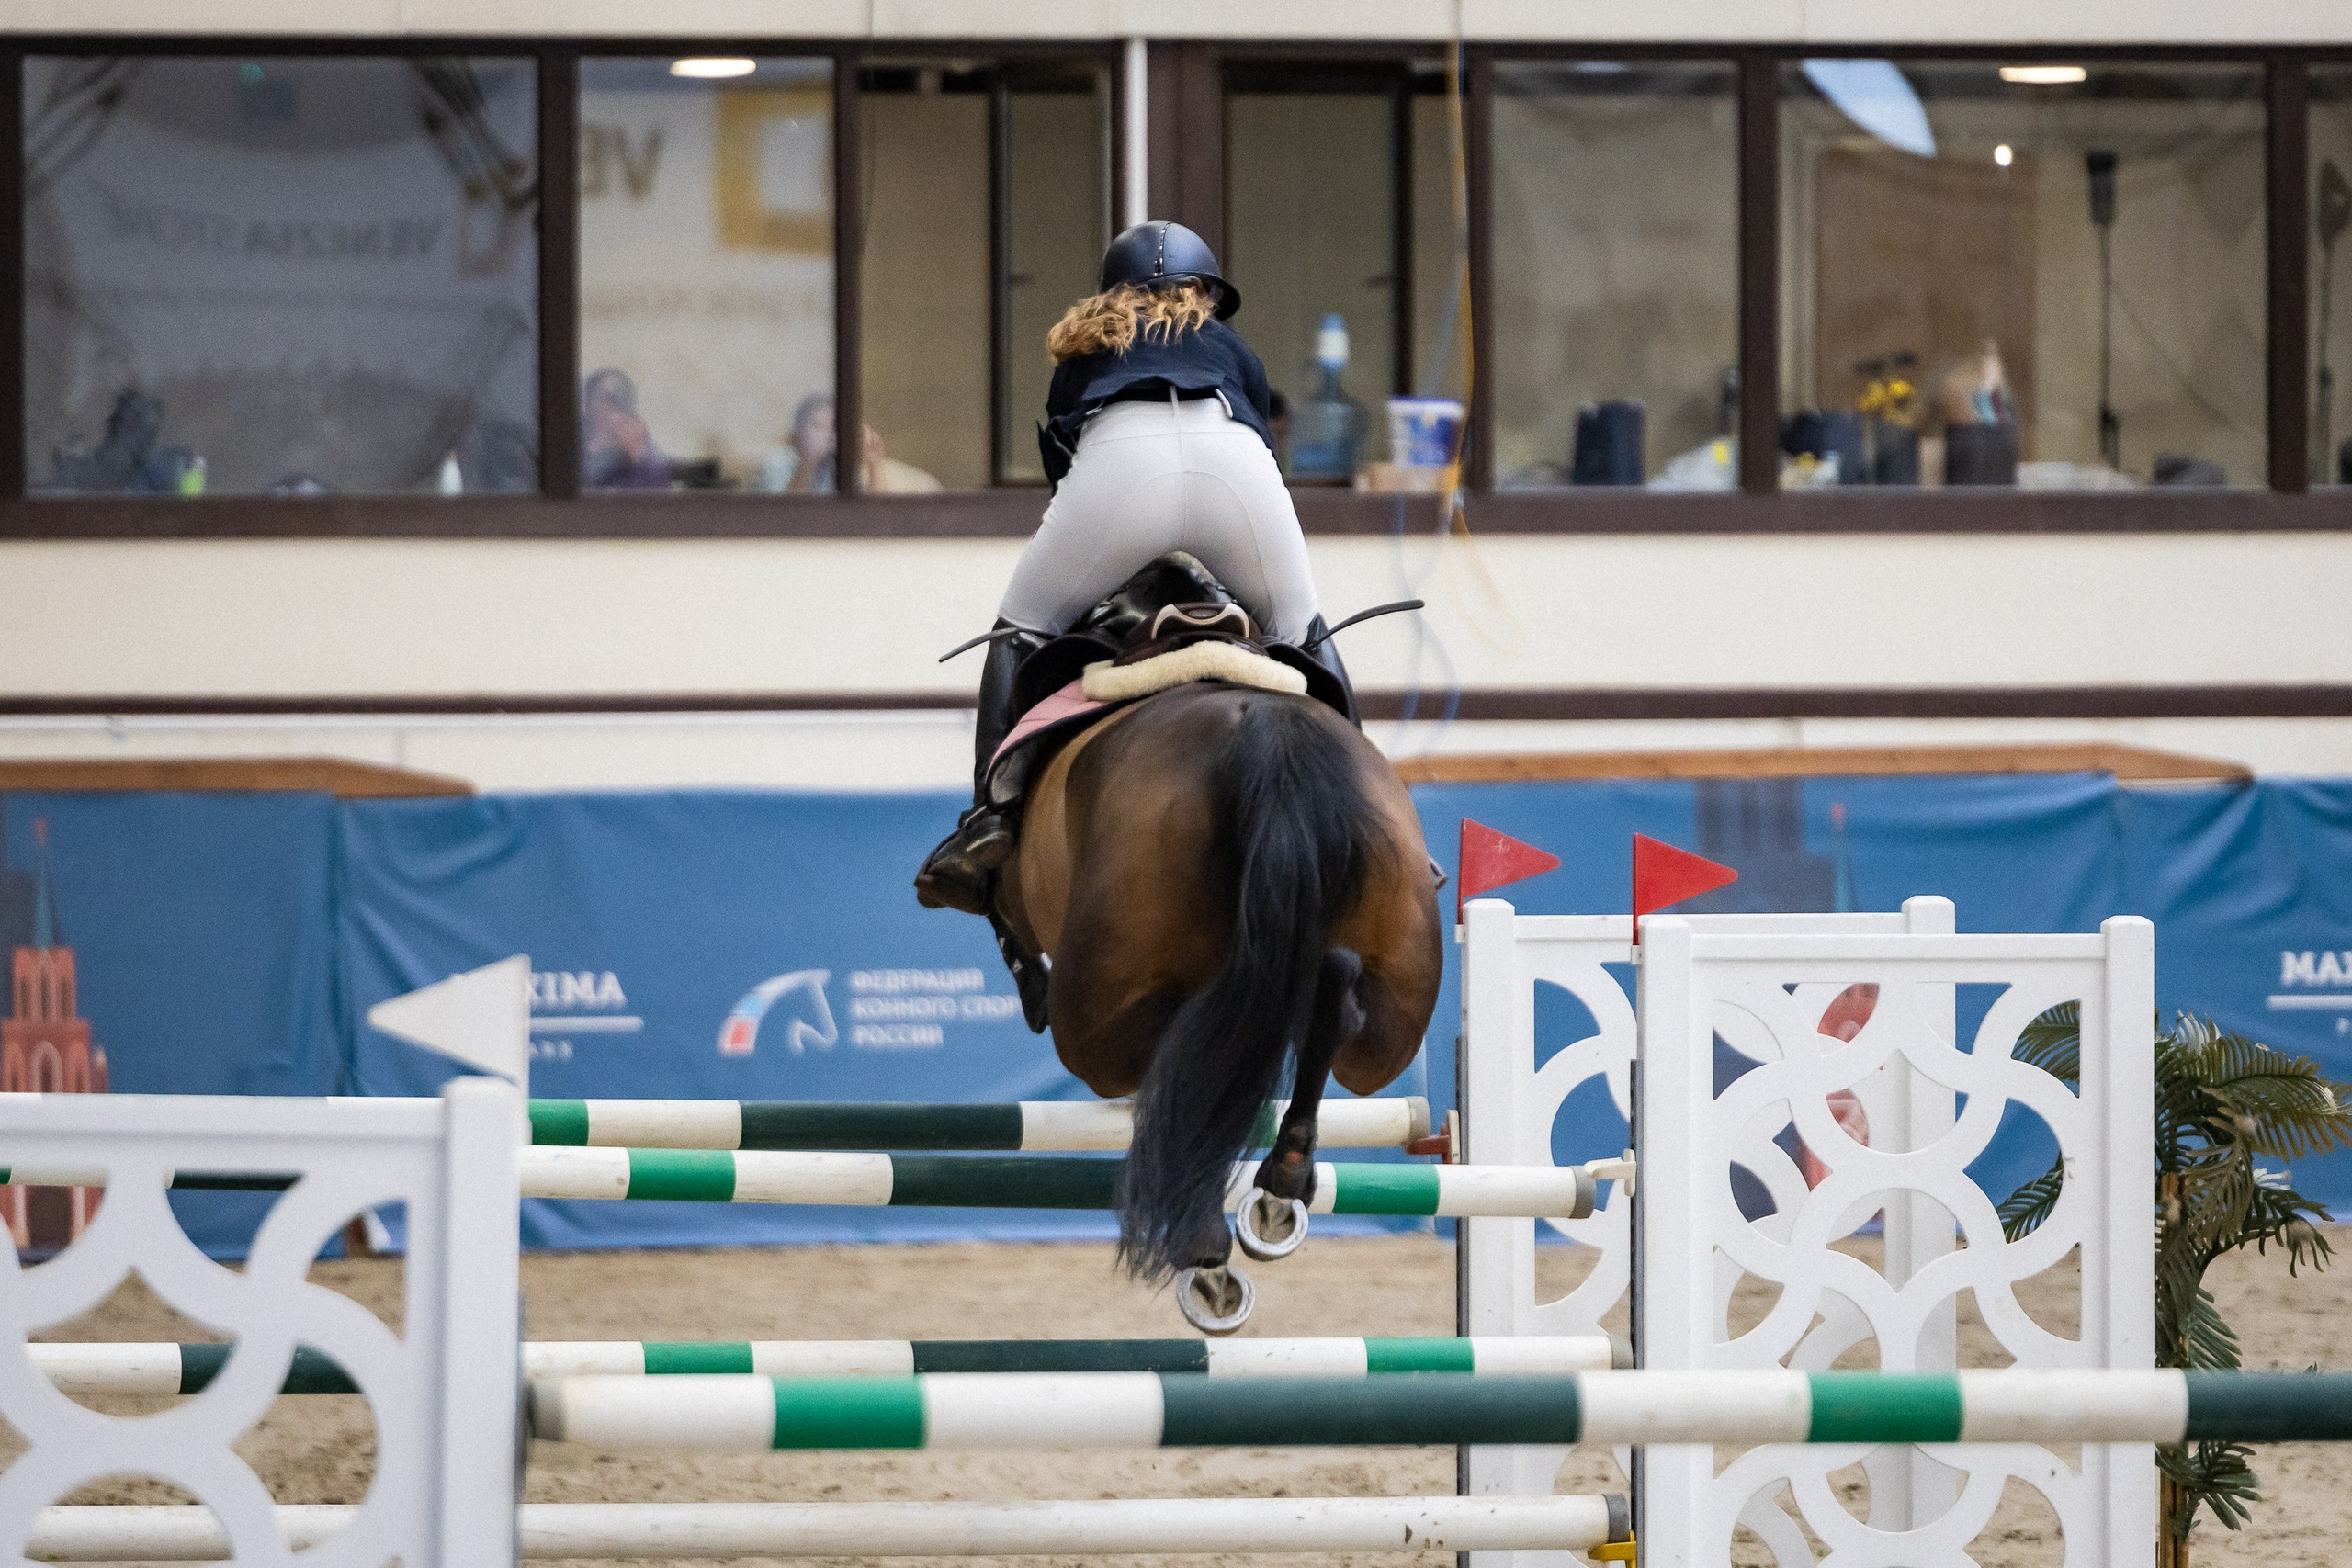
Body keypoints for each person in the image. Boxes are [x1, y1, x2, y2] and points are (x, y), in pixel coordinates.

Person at [914, 220, 1352, 917]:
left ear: (1115, 292)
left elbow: (1064, 470)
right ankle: (1363, 799)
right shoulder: (1231, 344)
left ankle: (990, 818)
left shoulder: (1087, 348)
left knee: (1020, 625)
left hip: (1122, 476)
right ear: (1204, 291)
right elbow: (1264, 443)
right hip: (1235, 472)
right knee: (1302, 627)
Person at [758, 394, 942, 495]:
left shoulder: (843, 465)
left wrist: (872, 464)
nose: (827, 434)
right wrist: (810, 460)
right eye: (817, 426)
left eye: (833, 427)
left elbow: (876, 515)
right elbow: (789, 513)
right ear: (798, 433)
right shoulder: (779, 460)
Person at [580, 368, 670, 489]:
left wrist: (637, 458)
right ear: (590, 405)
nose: (616, 409)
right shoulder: (577, 437)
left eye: (623, 400)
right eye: (610, 399)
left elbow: (660, 487)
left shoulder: (639, 438)